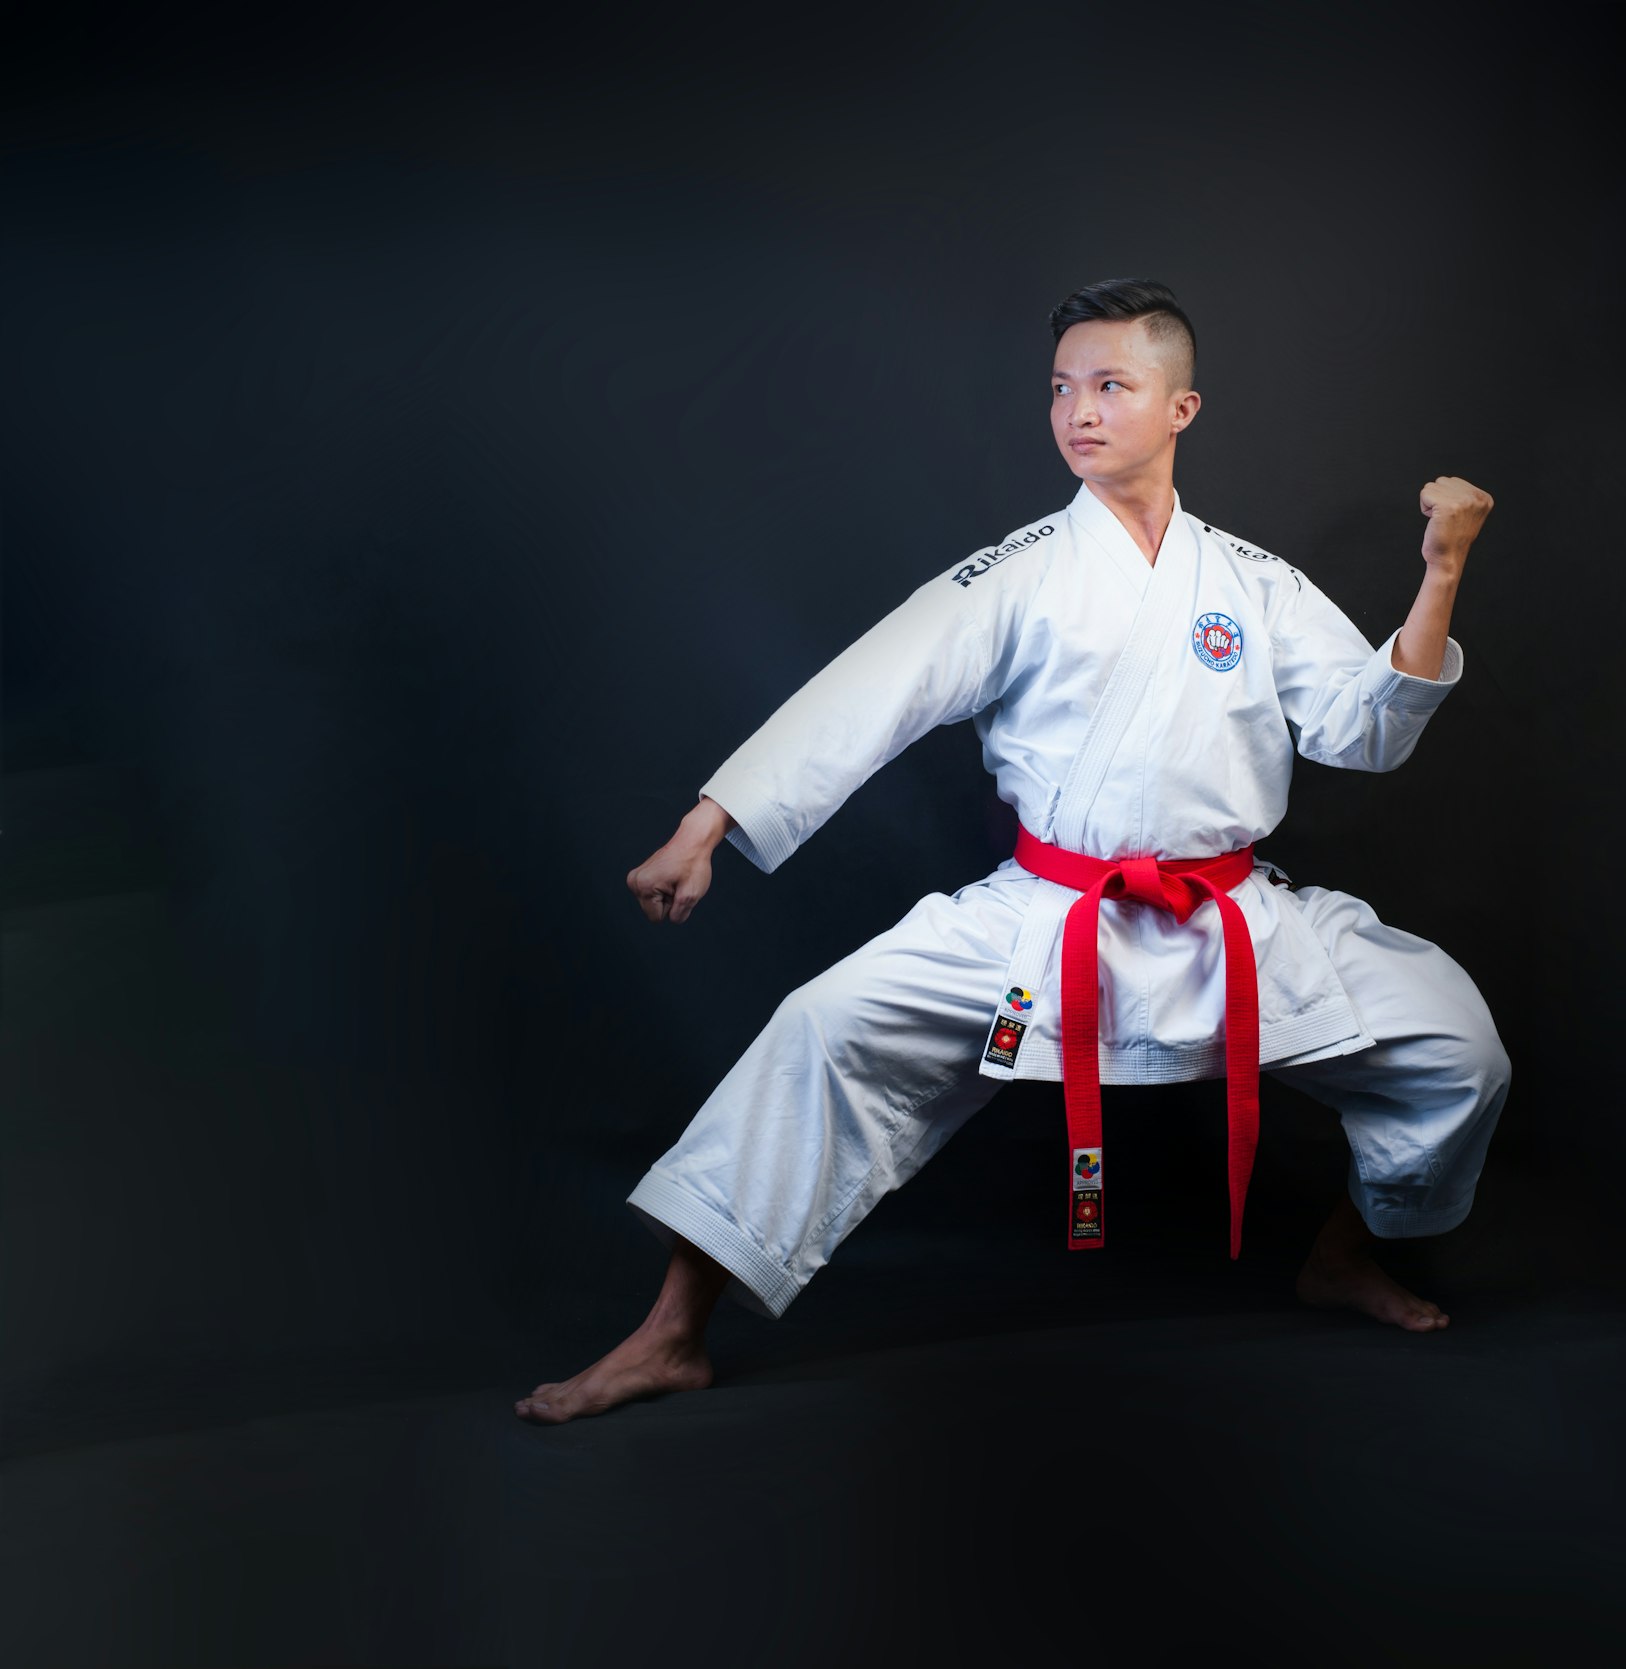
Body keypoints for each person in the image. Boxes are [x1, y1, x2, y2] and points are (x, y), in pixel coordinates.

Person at [516, 278, 1509, 1425]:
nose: (1079, 411)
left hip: (1230, 918)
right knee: (822, 1029)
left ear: (1180, 408)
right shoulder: (1020, 572)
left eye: (1111, 386)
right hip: (1050, 919)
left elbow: (1366, 729)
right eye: (1062, 389)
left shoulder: (1252, 581)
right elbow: (871, 693)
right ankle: (670, 1333)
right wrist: (708, 827)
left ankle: (1343, 1253)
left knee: (1459, 1050)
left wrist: (1440, 572)